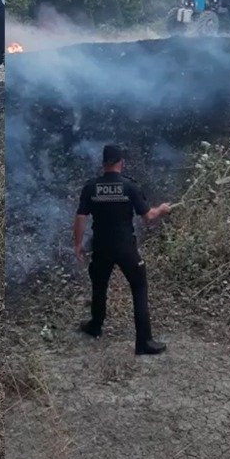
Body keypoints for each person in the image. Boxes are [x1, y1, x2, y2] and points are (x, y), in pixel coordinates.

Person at [73, 145, 172, 355]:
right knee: (139, 286)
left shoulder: (91, 187)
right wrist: (162, 210)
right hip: (125, 247)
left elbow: (80, 217)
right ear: (121, 162)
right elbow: (148, 217)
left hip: (100, 246)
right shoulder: (129, 187)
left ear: (103, 163)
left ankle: (95, 326)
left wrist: (77, 244)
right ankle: (143, 342)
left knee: (99, 285)